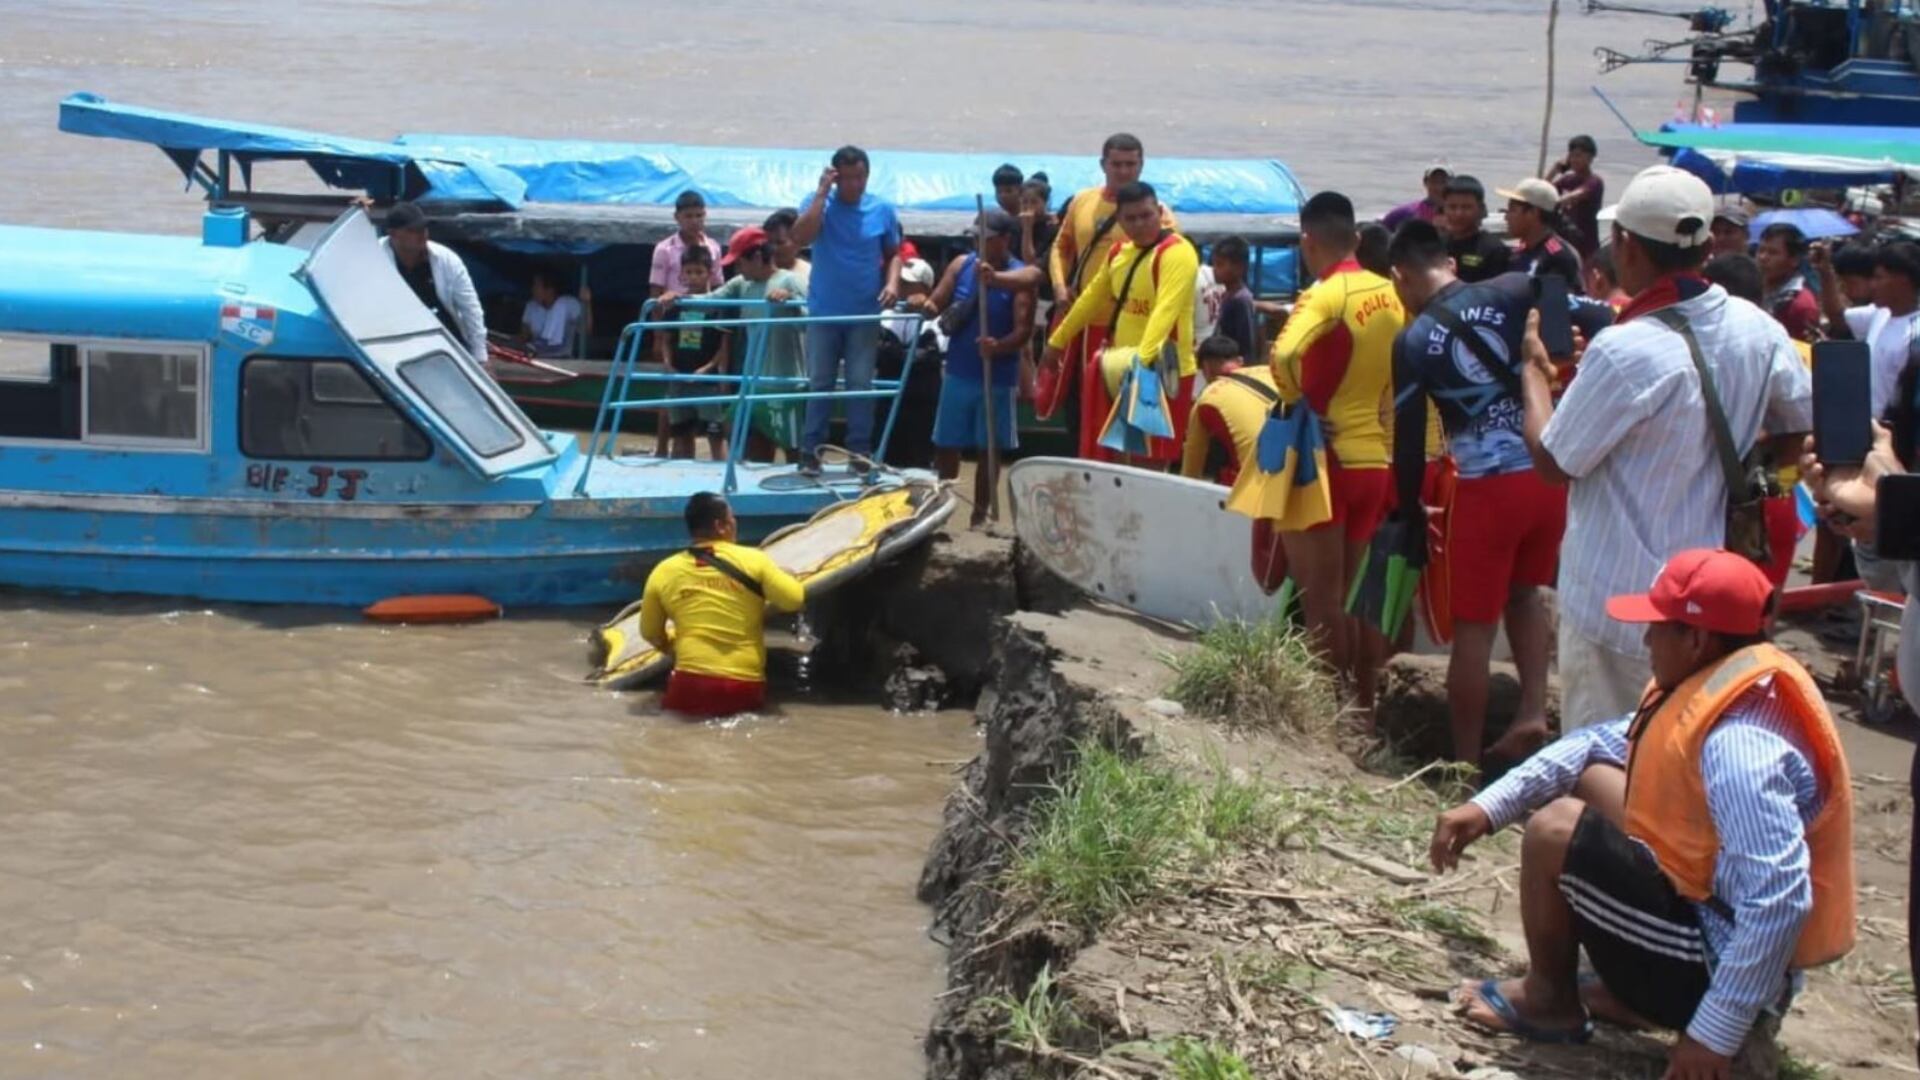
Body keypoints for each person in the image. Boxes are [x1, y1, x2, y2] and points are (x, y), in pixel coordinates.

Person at [1430, 549, 1855, 1076]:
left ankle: (1550, 1001)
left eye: (1658, 627)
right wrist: (1488, 806)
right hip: (1704, 913)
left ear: (1696, 639)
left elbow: (1780, 900)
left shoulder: (1740, 747)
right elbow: (1590, 746)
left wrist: (1713, 1034)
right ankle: (1628, 991)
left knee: (1554, 829)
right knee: (1593, 779)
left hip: (1714, 958)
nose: (1647, 640)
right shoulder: (1724, 685)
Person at [1520, 165, 1812, 733]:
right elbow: (1794, 429)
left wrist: (1534, 373)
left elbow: (1552, 463)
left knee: (1604, 758)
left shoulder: (1625, 348)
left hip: (1615, 596)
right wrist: (1750, 490)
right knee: (1678, 753)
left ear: (1625, 245)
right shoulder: (1758, 328)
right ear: (1707, 246)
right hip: (1704, 598)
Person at [1386, 221, 1612, 767]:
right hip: (1547, 475)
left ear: (1399, 276)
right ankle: (1533, 709)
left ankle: (1464, 762)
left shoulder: (1413, 341)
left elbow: (1412, 442)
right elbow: (1598, 313)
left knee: (1473, 629)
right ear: (1451, 263)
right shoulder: (1511, 288)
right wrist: (1557, 346)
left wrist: (1408, 509)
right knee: (1525, 592)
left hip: (1487, 489)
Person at [1267, 191, 1405, 710]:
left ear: (1308, 242)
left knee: (1320, 601)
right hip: (1373, 461)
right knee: (1352, 597)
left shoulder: (1324, 294)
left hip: (1324, 461)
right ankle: (1362, 708)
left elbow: (1284, 353)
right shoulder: (1390, 293)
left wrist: (1296, 401)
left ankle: (1330, 714)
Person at [1042, 181, 1201, 468]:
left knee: (1150, 464)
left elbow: (1165, 312)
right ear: (1119, 220)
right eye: (1131, 218)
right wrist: (1056, 342)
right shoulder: (1118, 253)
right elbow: (1089, 300)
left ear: (1159, 212)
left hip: (1164, 373)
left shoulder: (1178, 252)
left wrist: (1142, 363)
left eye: (1146, 215)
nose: (1140, 224)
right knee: (1116, 459)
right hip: (1120, 368)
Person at [640, 492, 806, 717]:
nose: (735, 523)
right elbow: (793, 600)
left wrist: (676, 649)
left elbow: (650, 632)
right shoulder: (754, 560)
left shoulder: (663, 570)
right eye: (732, 518)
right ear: (721, 526)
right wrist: (788, 577)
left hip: (689, 684)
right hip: (743, 684)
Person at [793, 145, 904, 477]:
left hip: (864, 312)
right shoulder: (819, 204)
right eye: (849, 178)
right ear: (837, 177)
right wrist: (822, 193)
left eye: (861, 177)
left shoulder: (882, 209)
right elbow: (800, 236)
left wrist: (893, 283)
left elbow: (894, 253)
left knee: (860, 383)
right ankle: (810, 452)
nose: (856, 184)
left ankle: (860, 453)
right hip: (825, 311)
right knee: (820, 383)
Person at [923, 210, 1034, 525]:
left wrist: (999, 346)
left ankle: (980, 513)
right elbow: (939, 299)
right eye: (975, 238)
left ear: (1004, 240)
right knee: (946, 443)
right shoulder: (962, 265)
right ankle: (942, 509)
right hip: (958, 371)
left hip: (995, 377)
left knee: (989, 449)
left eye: (984, 239)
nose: (977, 244)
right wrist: (926, 305)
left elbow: (1024, 330)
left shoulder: (1019, 277)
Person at [707, 226, 808, 462]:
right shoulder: (742, 284)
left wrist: (790, 302)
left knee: (795, 451)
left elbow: (811, 321)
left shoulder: (791, 281)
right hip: (752, 382)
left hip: (786, 383)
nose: (737, 268)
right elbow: (710, 299)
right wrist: (677, 299)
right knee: (740, 437)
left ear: (757, 257)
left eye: (740, 262)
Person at [1814, 238, 1920, 417]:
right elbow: (1838, 317)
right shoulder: (1879, 314)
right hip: (1864, 426)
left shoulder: (1915, 335)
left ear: (1902, 281)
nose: (1872, 285)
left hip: (1895, 435)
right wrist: (1825, 273)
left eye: (1879, 277)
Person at [381, 201, 487, 364]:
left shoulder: (447, 259)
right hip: (397, 349)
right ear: (393, 234)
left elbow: (470, 309)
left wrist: (481, 357)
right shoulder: (373, 258)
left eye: (423, 228)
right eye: (413, 231)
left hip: (448, 345)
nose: (422, 234)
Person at [654, 248, 730, 461]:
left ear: (709, 273)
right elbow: (667, 339)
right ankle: (682, 476)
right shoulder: (675, 305)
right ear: (681, 274)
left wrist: (709, 369)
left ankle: (720, 476)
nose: (693, 277)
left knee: (715, 435)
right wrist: (668, 364)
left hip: (708, 381)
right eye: (689, 272)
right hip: (679, 377)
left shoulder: (718, 306)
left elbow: (723, 345)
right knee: (681, 434)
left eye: (699, 272)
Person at [1180, 334, 1277, 487]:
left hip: (1258, 490)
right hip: (1304, 473)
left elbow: (1190, 472)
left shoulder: (1207, 400)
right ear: (1240, 361)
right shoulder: (1269, 372)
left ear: (1206, 368)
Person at [879, 258, 942, 470]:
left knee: (920, 462)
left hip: (921, 403)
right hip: (888, 403)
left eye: (908, 284)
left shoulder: (936, 321)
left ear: (925, 288)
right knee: (886, 459)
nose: (903, 289)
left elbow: (930, 357)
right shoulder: (885, 316)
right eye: (901, 283)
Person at [1499, 178, 1583, 289]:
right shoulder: (1518, 252)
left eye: (1512, 210)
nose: (1506, 217)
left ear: (1533, 213)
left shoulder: (1558, 257)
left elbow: (1556, 303)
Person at [650, 191, 726, 299]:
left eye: (699, 215)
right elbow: (656, 290)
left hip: (704, 311)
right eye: (688, 216)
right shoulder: (664, 249)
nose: (694, 221)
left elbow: (717, 286)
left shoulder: (713, 248)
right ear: (677, 217)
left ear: (705, 215)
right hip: (673, 311)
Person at [1754, 223, 1821, 342]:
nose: (1763, 257)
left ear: (1794, 260)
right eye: (1761, 250)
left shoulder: (1801, 305)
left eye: (1773, 253)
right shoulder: (1751, 290)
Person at [1442, 176, 1512, 284]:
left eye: (1466, 207)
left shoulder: (1494, 250)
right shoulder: (1435, 246)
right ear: (1444, 208)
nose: (1458, 214)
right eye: (1452, 207)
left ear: (1481, 209)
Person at [1547, 135, 1605, 258]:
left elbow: (1574, 196)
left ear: (1590, 158)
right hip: (1564, 242)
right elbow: (1540, 191)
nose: (1574, 159)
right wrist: (1555, 170)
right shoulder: (1567, 179)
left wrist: (1554, 202)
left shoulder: (1594, 182)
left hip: (1585, 247)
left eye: (1578, 156)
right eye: (1572, 155)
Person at [1210, 236, 1263, 365]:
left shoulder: (1240, 300)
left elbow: (1246, 346)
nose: (1215, 270)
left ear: (1239, 267)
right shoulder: (1227, 294)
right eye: (1215, 264)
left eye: (1220, 264)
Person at [517, 267, 588, 359]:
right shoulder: (531, 306)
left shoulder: (568, 304)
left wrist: (587, 303)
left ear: (549, 290)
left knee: (561, 304)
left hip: (563, 358)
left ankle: (547, 341)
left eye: (537, 286)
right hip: (537, 357)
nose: (533, 289)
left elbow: (586, 330)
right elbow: (525, 335)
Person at [1382, 163, 1451, 231]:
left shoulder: (1458, 215)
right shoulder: (1407, 212)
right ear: (1425, 183)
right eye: (1434, 182)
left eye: (1443, 182)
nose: (1439, 187)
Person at [762, 208, 812, 291]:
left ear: (798, 241)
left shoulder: (810, 274)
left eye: (780, 242)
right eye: (769, 242)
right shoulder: (755, 274)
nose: (773, 248)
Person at [1585, 245, 1629, 314]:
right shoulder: (1644, 308)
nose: (1586, 292)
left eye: (1587, 281)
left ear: (1597, 278)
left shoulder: (1591, 316)